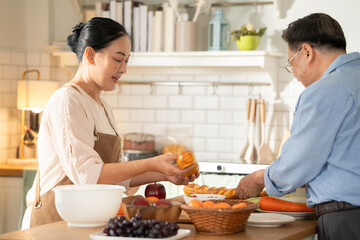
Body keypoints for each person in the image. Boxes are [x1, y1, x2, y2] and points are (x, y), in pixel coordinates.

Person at [22, 17, 199, 229]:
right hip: (55, 224)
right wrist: (151, 162)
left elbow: (116, 177)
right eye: (118, 59)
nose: (123, 69)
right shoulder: (68, 101)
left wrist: (167, 173)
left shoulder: (102, 106)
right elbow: (88, 177)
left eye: (126, 61)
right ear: (90, 55)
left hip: (89, 220)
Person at [236, 13, 360, 239]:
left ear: (307, 52)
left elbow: (295, 166)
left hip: (347, 217)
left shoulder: (321, 93)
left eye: (291, 63)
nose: (293, 73)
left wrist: (256, 179)